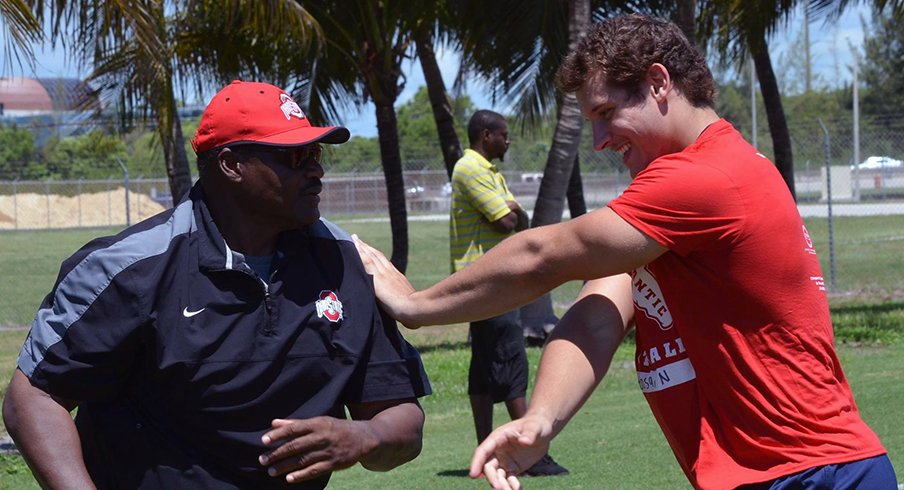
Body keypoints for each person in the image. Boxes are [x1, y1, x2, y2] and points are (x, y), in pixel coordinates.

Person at [353, 14, 897, 490]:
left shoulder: (708, 177)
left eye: (606, 111)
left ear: (658, 83)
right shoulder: (679, 200)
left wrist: (416, 305)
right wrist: (541, 419)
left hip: (815, 475)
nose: (598, 140)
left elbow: (549, 254)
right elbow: (598, 315)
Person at [2, 80, 432, 490]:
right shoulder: (130, 269)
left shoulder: (344, 265)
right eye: (296, 157)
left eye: (317, 153)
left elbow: (400, 417)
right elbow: (33, 399)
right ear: (231, 165)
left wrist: (364, 437)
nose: (317, 170)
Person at [449, 110, 567, 477]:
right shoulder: (470, 169)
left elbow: (519, 219)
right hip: (489, 282)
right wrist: (511, 210)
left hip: (491, 281)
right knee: (511, 358)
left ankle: (486, 453)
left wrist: (512, 211)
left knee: (484, 368)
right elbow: (508, 221)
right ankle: (531, 454)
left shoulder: (489, 171)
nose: (508, 140)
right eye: (503, 134)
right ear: (486, 136)